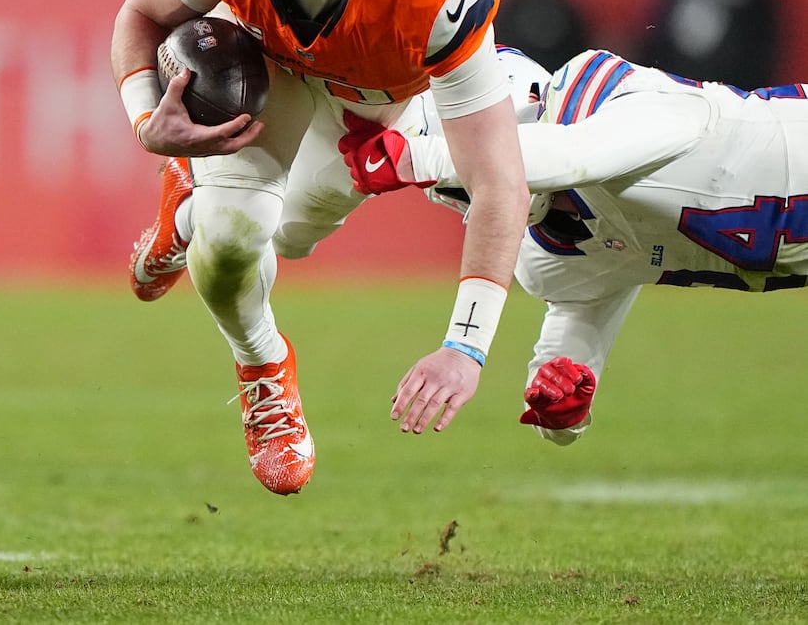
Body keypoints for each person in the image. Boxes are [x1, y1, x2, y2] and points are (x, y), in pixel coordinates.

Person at [111, 0, 530, 495]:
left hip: (369, 98)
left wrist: (466, 346)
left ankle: (183, 211)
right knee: (233, 241)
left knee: (288, 236)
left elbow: (500, 183)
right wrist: (148, 120)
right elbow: (140, 16)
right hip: (265, 58)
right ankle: (262, 364)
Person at [339, 47, 808, 446]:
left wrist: (421, 157)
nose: (476, 195)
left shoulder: (621, 98)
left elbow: (575, 155)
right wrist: (562, 413)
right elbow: (567, 357)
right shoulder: (548, 251)